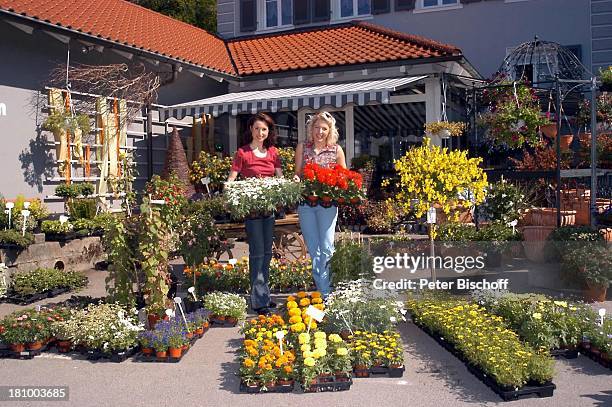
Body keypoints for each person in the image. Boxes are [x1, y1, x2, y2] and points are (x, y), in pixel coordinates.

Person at [227, 113, 283, 315]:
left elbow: (279, 178)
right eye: (257, 128)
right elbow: (232, 177)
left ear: (269, 132)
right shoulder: (242, 153)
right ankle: (259, 302)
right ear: (251, 129)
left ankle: (264, 296)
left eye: (264, 129)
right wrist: (228, 191)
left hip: (268, 210)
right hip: (251, 211)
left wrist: (283, 189)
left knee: (267, 254)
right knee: (257, 253)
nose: (261, 133)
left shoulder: (273, 152)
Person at [294, 111, 347, 298]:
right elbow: (298, 173)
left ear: (330, 130)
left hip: (327, 205)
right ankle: (323, 289)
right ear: (311, 128)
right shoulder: (303, 147)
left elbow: (344, 177)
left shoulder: (336, 150)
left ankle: (327, 288)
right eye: (316, 127)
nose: (320, 132)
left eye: (324, 128)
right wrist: (295, 179)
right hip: (306, 204)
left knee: (326, 245)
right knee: (313, 247)